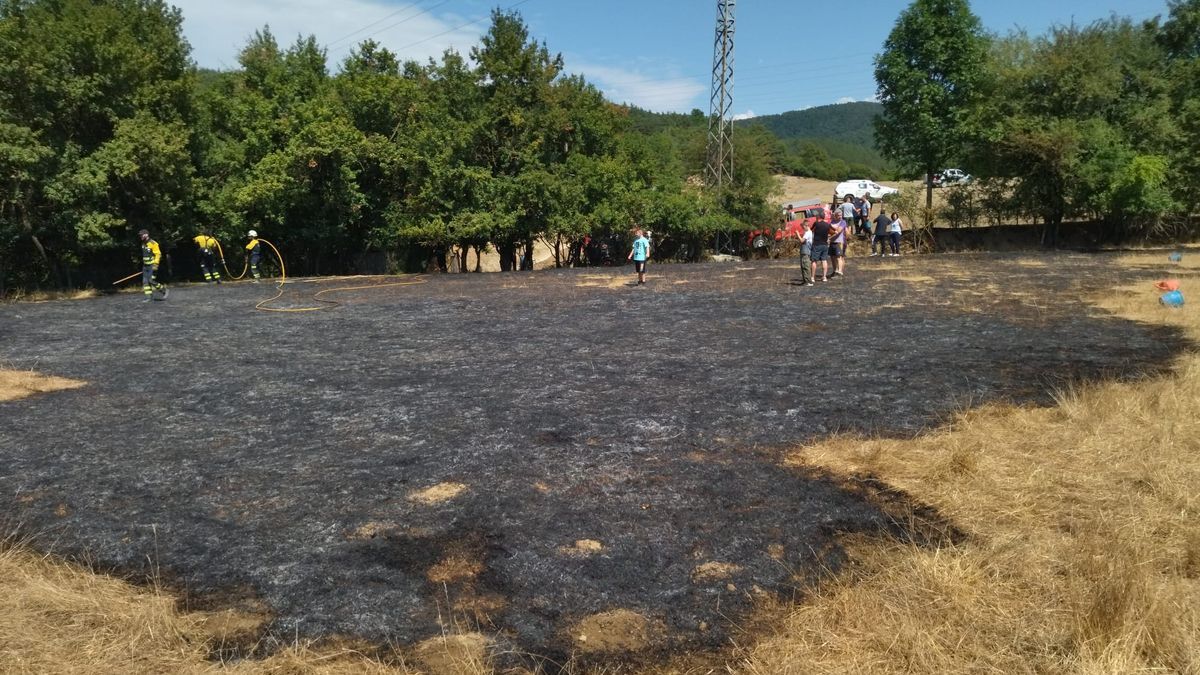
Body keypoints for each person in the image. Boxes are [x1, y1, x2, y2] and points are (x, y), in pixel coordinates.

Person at [138, 229, 168, 301]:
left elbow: (158, 254)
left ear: (146, 235)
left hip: (152, 266)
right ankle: (149, 297)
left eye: (141, 235)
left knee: (151, 280)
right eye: (140, 235)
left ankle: (164, 290)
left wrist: (156, 264)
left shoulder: (153, 243)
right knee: (145, 282)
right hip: (145, 267)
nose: (140, 236)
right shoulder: (143, 244)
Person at [810, 215, 832, 282]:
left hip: (817, 244)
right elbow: (835, 232)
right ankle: (824, 277)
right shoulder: (827, 225)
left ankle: (812, 277)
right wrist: (829, 238)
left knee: (814, 260)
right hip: (825, 244)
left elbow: (811, 230)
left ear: (818, 218)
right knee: (824, 260)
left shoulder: (816, 223)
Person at [828, 209, 848, 278]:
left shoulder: (843, 222)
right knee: (832, 257)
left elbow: (838, 231)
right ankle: (835, 271)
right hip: (832, 242)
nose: (840, 216)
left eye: (841, 215)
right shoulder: (832, 222)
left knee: (839, 257)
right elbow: (829, 230)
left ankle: (840, 272)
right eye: (838, 215)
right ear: (835, 215)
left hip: (839, 242)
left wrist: (829, 238)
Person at [798, 221, 814, 286]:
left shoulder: (808, 233)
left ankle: (808, 281)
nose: (802, 228)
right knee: (803, 266)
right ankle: (805, 280)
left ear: (806, 225)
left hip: (806, 252)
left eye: (803, 227)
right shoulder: (807, 233)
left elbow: (802, 240)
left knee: (806, 266)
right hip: (804, 251)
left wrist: (797, 234)